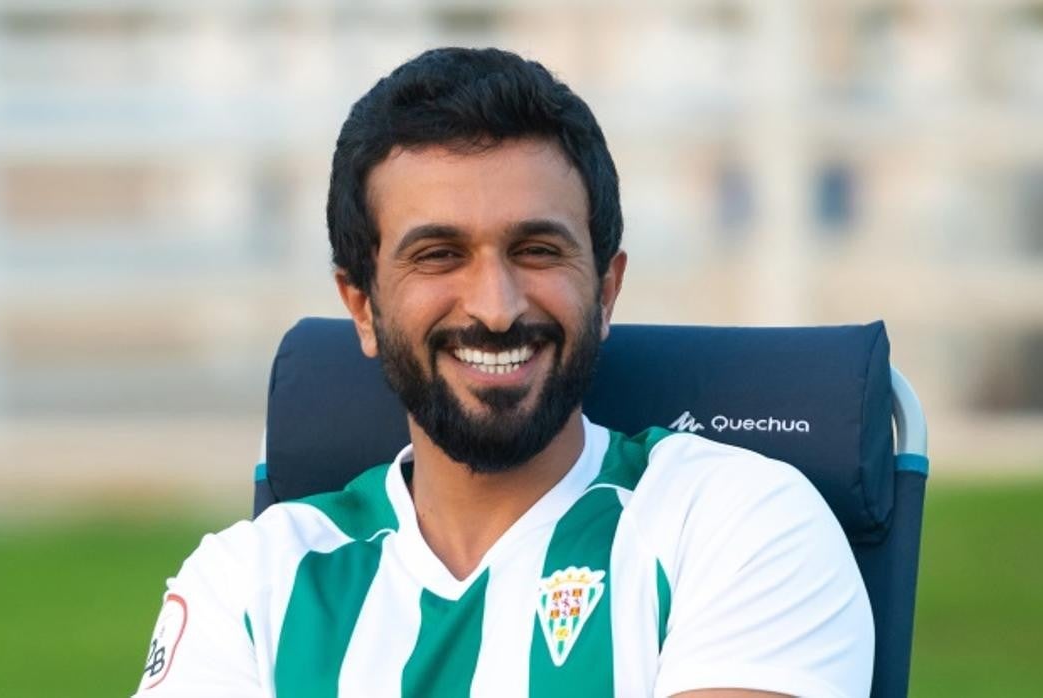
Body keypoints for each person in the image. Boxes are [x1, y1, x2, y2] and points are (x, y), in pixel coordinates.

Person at [134, 47, 873, 698]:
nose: (495, 307)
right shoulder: (250, 585)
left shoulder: (734, 523)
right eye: (439, 255)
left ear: (606, 288)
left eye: (538, 250)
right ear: (361, 306)